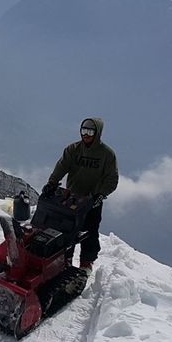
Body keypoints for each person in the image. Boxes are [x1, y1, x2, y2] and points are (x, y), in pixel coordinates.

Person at [41, 117, 119, 277]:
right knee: (64, 230)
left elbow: (112, 178)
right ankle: (64, 260)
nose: (86, 135)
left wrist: (101, 194)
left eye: (90, 131)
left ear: (97, 133)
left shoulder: (107, 155)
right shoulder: (73, 149)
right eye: (84, 130)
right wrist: (52, 182)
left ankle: (86, 263)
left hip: (92, 201)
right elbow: (62, 165)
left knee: (90, 231)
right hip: (71, 198)